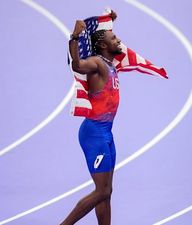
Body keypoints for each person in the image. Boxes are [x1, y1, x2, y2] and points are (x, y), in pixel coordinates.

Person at [61, 11, 122, 225]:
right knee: (102, 190)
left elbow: (102, 38)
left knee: (107, 191)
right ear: (104, 46)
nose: (119, 40)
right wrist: (75, 37)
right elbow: (77, 65)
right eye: (114, 38)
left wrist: (108, 22)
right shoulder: (97, 63)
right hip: (94, 133)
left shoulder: (110, 62)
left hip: (106, 133)